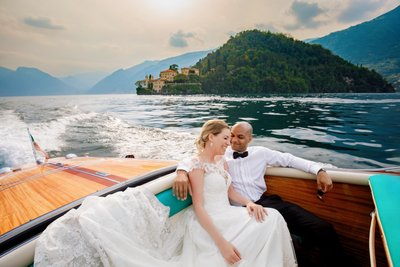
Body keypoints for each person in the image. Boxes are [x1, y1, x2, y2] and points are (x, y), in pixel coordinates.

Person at [35, 119, 297, 267]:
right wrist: (222, 243)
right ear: (211, 138)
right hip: (209, 223)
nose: (229, 143)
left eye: (231, 139)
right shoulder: (196, 166)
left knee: (270, 217)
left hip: (229, 212)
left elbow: (231, 191)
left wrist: (249, 203)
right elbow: (201, 208)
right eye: (226, 138)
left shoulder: (222, 162)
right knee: (261, 229)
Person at [173, 121, 347, 267]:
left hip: (262, 201)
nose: (233, 141)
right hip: (234, 209)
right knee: (273, 224)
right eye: (230, 136)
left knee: (322, 228)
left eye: (240, 137)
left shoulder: (260, 153)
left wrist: (319, 170)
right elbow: (193, 160)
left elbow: (290, 159)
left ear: (250, 138)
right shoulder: (222, 154)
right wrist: (181, 172)